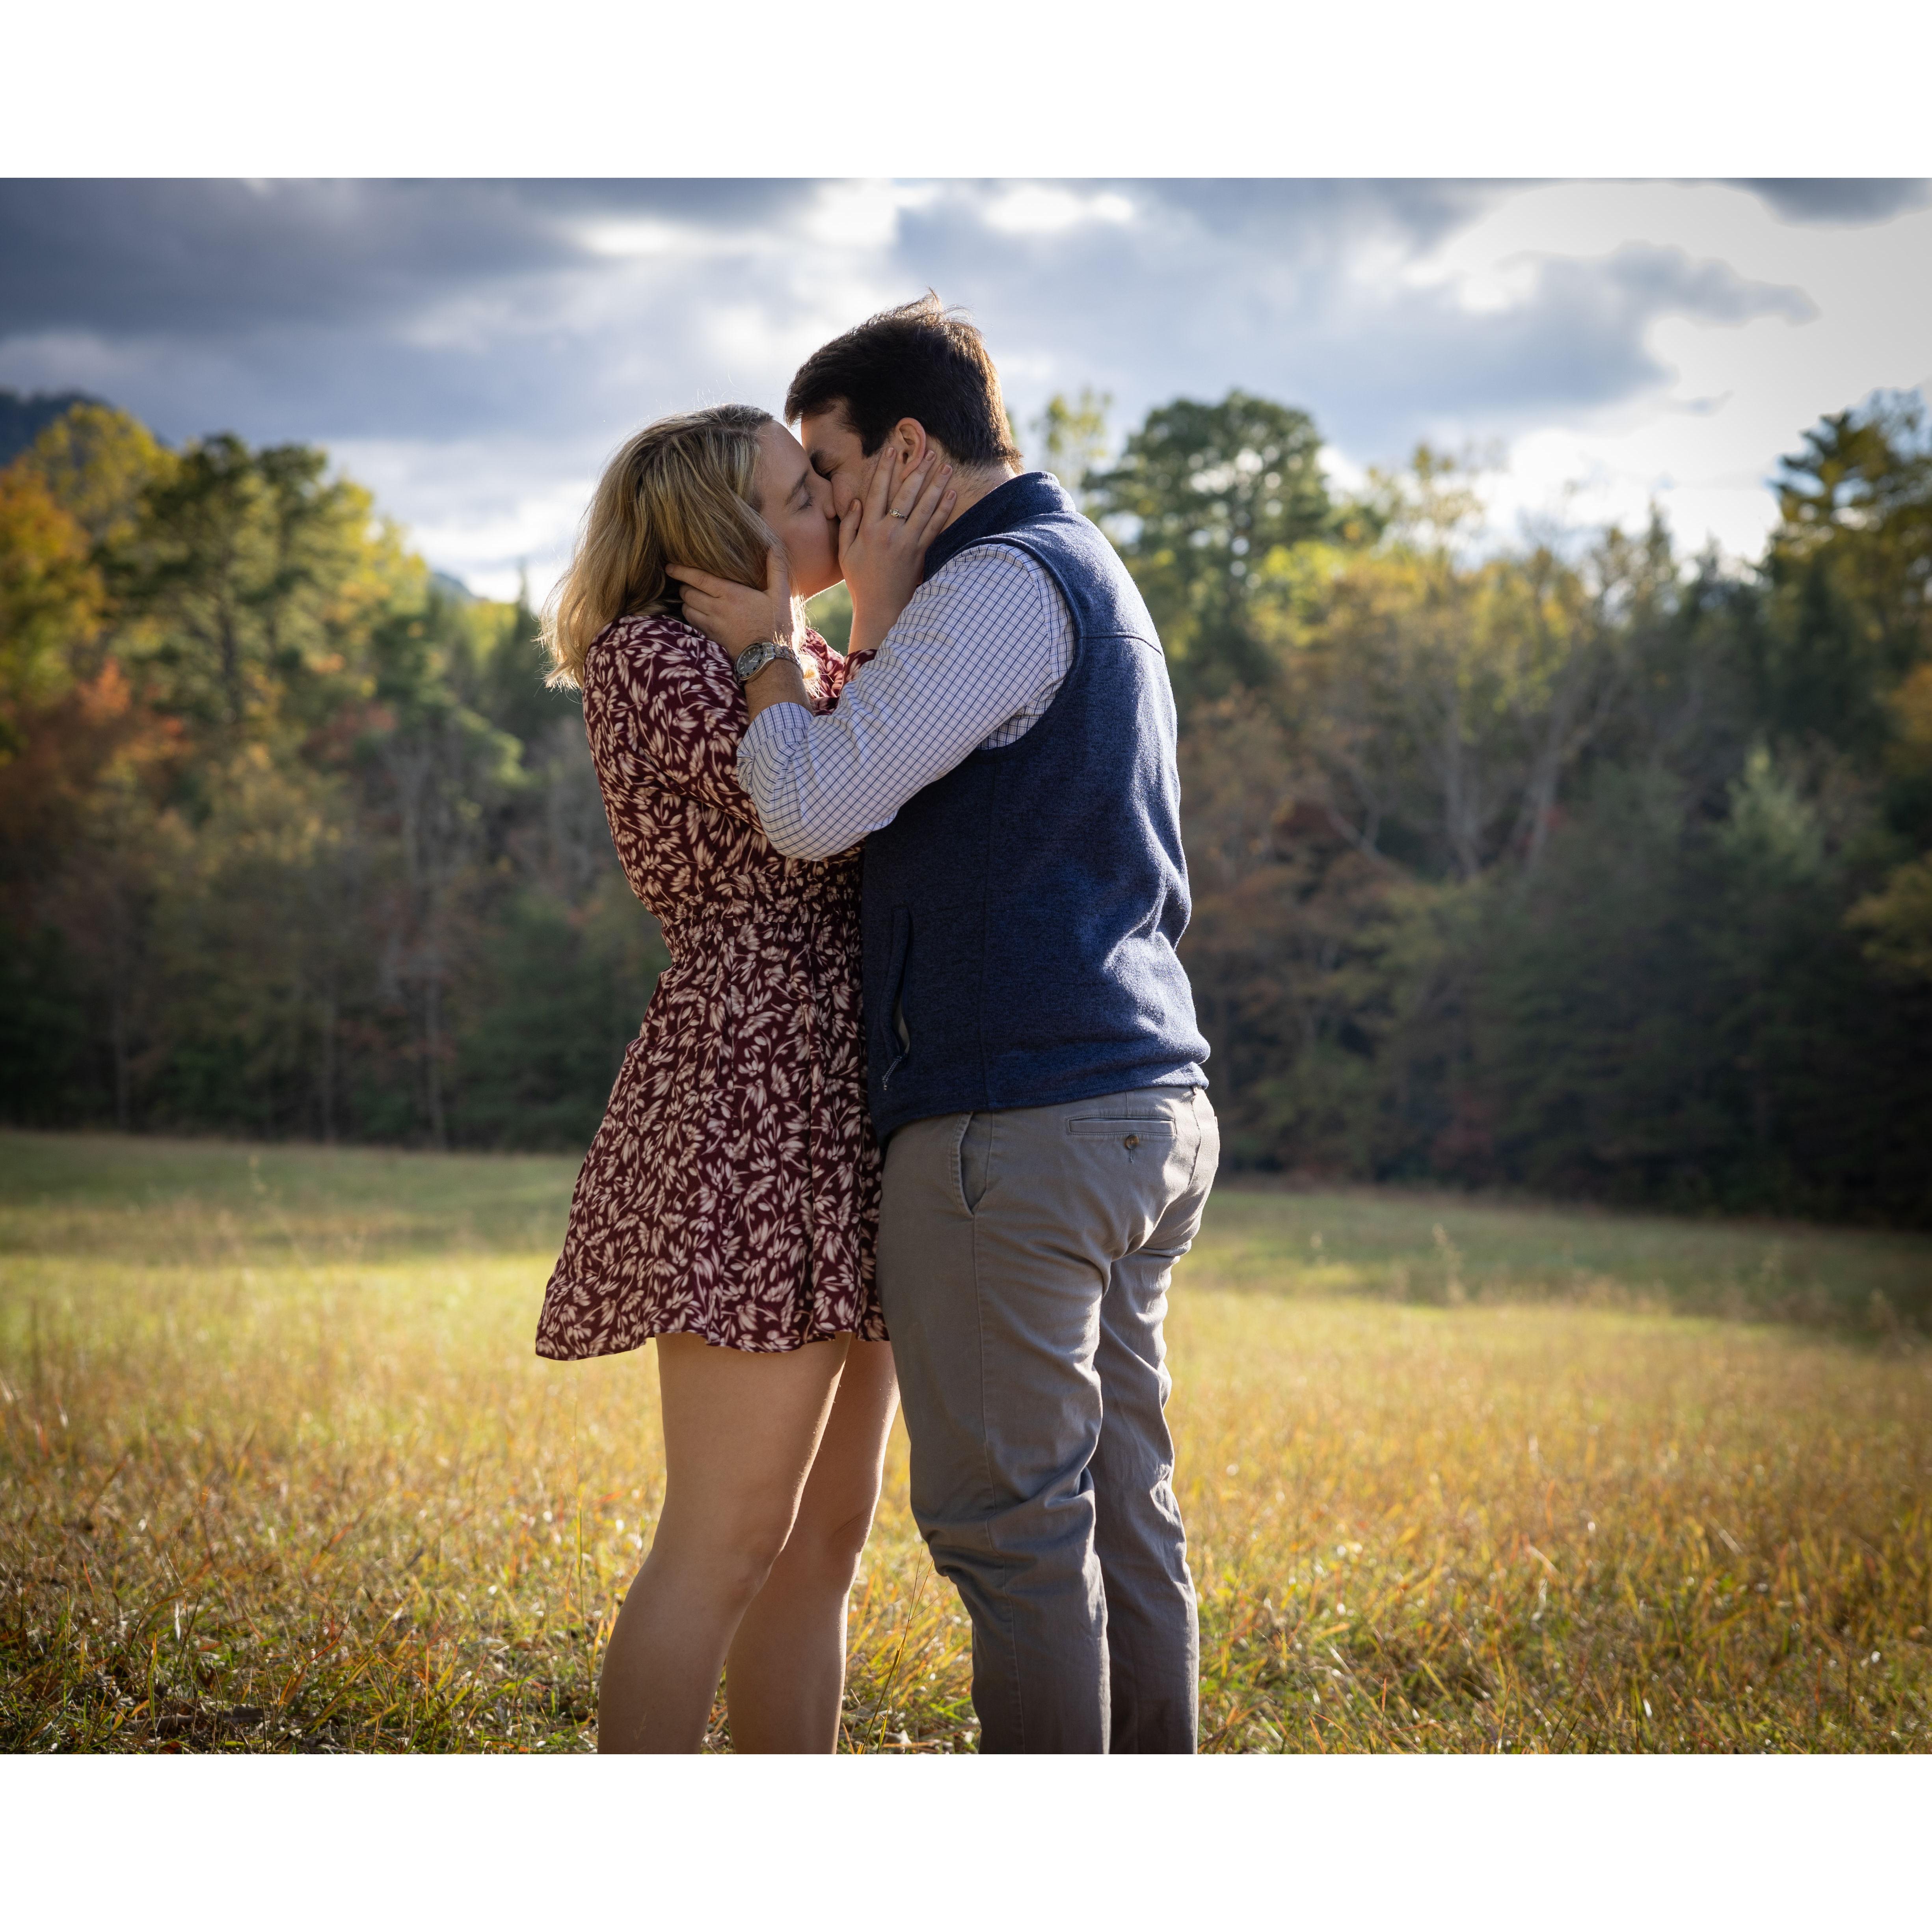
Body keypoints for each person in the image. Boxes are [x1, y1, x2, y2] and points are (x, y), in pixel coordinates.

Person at [672, 294, 1221, 1754]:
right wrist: (876, 607)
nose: (817, 506)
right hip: (1130, 1106)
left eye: (828, 469)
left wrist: (771, 649)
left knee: (1014, 1531)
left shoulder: (998, 589)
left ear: (909, 451)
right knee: (1122, 1514)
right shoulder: (1075, 568)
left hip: (1017, 1128)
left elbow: (811, 804)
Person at [533, 402, 954, 1752]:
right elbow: (828, 812)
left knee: (827, 1539)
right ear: (731, 533)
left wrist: (819, 642)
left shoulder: (794, 655)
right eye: (802, 490)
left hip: (861, 1094)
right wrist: (834, 634)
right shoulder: (653, 659)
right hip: (754, 1096)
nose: (835, 502)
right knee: (725, 1541)